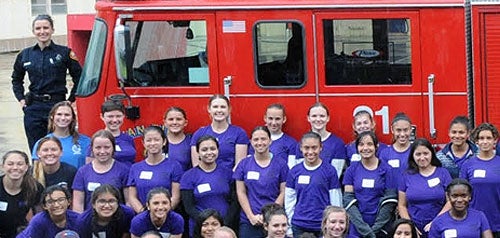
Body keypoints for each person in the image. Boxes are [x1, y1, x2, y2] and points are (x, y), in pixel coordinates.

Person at [11, 14, 82, 152]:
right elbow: (16, 79)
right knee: (36, 149)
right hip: (33, 108)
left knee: (58, 147)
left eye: (46, 28)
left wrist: (71, 100)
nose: (42, 31)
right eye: (38, 28)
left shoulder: (64, 53)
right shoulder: (25, 55)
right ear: (33, 31)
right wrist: (21, 99)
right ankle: (38, 174)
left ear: (52, 30)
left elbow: (79, 77)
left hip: (56, 107)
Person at [234, 126, 288, 238]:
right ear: (251, 142)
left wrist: (270, 216)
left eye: (263, 139)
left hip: (274, 223)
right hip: (249, 220)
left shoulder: (281, 164)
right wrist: (251, 216)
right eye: (256, 139)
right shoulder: (243, 164)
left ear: (270, 141)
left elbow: (283, 192)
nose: (260, 143)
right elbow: (241, 192)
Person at [285, 132, 342, 237]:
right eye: (306, 148)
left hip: (322, 226)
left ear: (321, 147)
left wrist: (334, 224)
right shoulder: (294, 171)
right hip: (299, 225)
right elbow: (289, 200)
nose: (310, 152)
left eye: (314, 147)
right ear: (301, 148)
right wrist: (288, 227)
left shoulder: (330, 171)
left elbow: (335, 201)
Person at [343, 131, 397, 238]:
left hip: (382, 227)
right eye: (361, 144)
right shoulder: (351, 170)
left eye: (369, 144)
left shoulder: (387, 170)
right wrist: (364, 229)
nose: (365, 148)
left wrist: (374, 230)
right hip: (357, 226)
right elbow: (348, 199)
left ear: (376, 146)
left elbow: (390, 201)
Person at [181, 135, 238, 234]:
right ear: (198, 152)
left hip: (224, 226)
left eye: (212, 149)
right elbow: (189, 207)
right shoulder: (188, 176)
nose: (209, 152)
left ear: (218, 150)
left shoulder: (228, 174)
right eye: (204, 149)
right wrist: (206, 223)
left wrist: (224, 223)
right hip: (199, 227)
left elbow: (235, 202)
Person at [398, 138, 452, 237]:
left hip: (440, 226)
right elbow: (402, 205)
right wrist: (411, 227)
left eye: (425, 153)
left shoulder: (443, 173)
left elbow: (450, 201)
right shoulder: (406, 176)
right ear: (412, 156)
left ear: (432, 154)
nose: (422, 158)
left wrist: (435, 222)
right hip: (415, 229)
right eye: (418, 154)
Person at [127, 126, 182, 213]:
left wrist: (162, 214)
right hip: (142, 217)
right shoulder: (135, 168)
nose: (152, 143)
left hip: (166, 216)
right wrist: (143, 214)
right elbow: (132, 197)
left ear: (164, 141)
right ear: (143, 143)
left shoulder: (174, 166)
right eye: (149, 140)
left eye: (156, 140)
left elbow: (176, 197)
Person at [72, 130, 129, 212]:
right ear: (92, 149)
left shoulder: (123, 170)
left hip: (117, 221)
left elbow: (128, 202)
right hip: (90, 222)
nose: (102, 151)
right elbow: (78, 205)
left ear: (113, 148)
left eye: (107, 147)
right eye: (98, 147)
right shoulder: (82, 172)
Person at [460, 123, 500, 237]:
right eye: (481, 138)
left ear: (495, 141)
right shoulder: (468, 164)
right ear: (476, 141)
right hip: (475, 222)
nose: (485, 141)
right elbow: (462, 193)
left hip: (497, 221)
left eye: (488, 138)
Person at [190, 94, 249, 170]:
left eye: (223, 107)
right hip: (205, 179)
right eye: (215, 107)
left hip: (230, 179)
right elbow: (196, 166)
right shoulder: (199, 134)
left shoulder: (239, 133)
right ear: (209, 109)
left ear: (229, 109)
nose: (219, 110)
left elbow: (239, 165)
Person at [32, 101, 91, 169]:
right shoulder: (42, 143)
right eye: (59, 114)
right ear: (52, 116)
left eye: (67, 115)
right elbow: (37, 172)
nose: (63, 118)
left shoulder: (85, 141)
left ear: (72, 118)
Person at [429, 178, 493, 238]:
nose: (459, 200)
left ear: (469, 196)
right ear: (448, 197)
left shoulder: (479, 216)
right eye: (455, 196)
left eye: (464, 196)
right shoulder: (438, 222)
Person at [0, 150, 43, 238]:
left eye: (20, 164)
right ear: (2, 167)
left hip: (22, 234)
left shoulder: (35, 187)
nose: (15, 167)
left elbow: (40, 216)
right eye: (10, 164)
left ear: (26, 167)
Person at [296, 102, 346, 177]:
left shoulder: (338, 144)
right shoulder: (301, 143)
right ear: (308, 118)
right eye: (314, 116)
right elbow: (300, 171)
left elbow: (336, 174)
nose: (318, 119)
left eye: (322, 116)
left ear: (328, 118)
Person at [249, 103, 298, 169]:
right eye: (270, 118)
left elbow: (291, 169)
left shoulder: (291, 143)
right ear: (265, 118)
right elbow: (249, 165)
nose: (274, 123)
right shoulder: (256, 141)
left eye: (277, 119)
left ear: (284, 119)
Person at [89, 100, 136, 166]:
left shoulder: (129, 139)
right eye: (110, 116)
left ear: (123, 116)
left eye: (118, 116)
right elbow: (90, 167)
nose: (114, 120)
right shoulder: (97, 140)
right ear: (102, 116)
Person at [164, 106, 192, 172]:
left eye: (179, 119)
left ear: (185, 123)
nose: (174, 122)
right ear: (165, 123)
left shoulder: (191, 142)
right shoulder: (158, 142)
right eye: (171, 119)